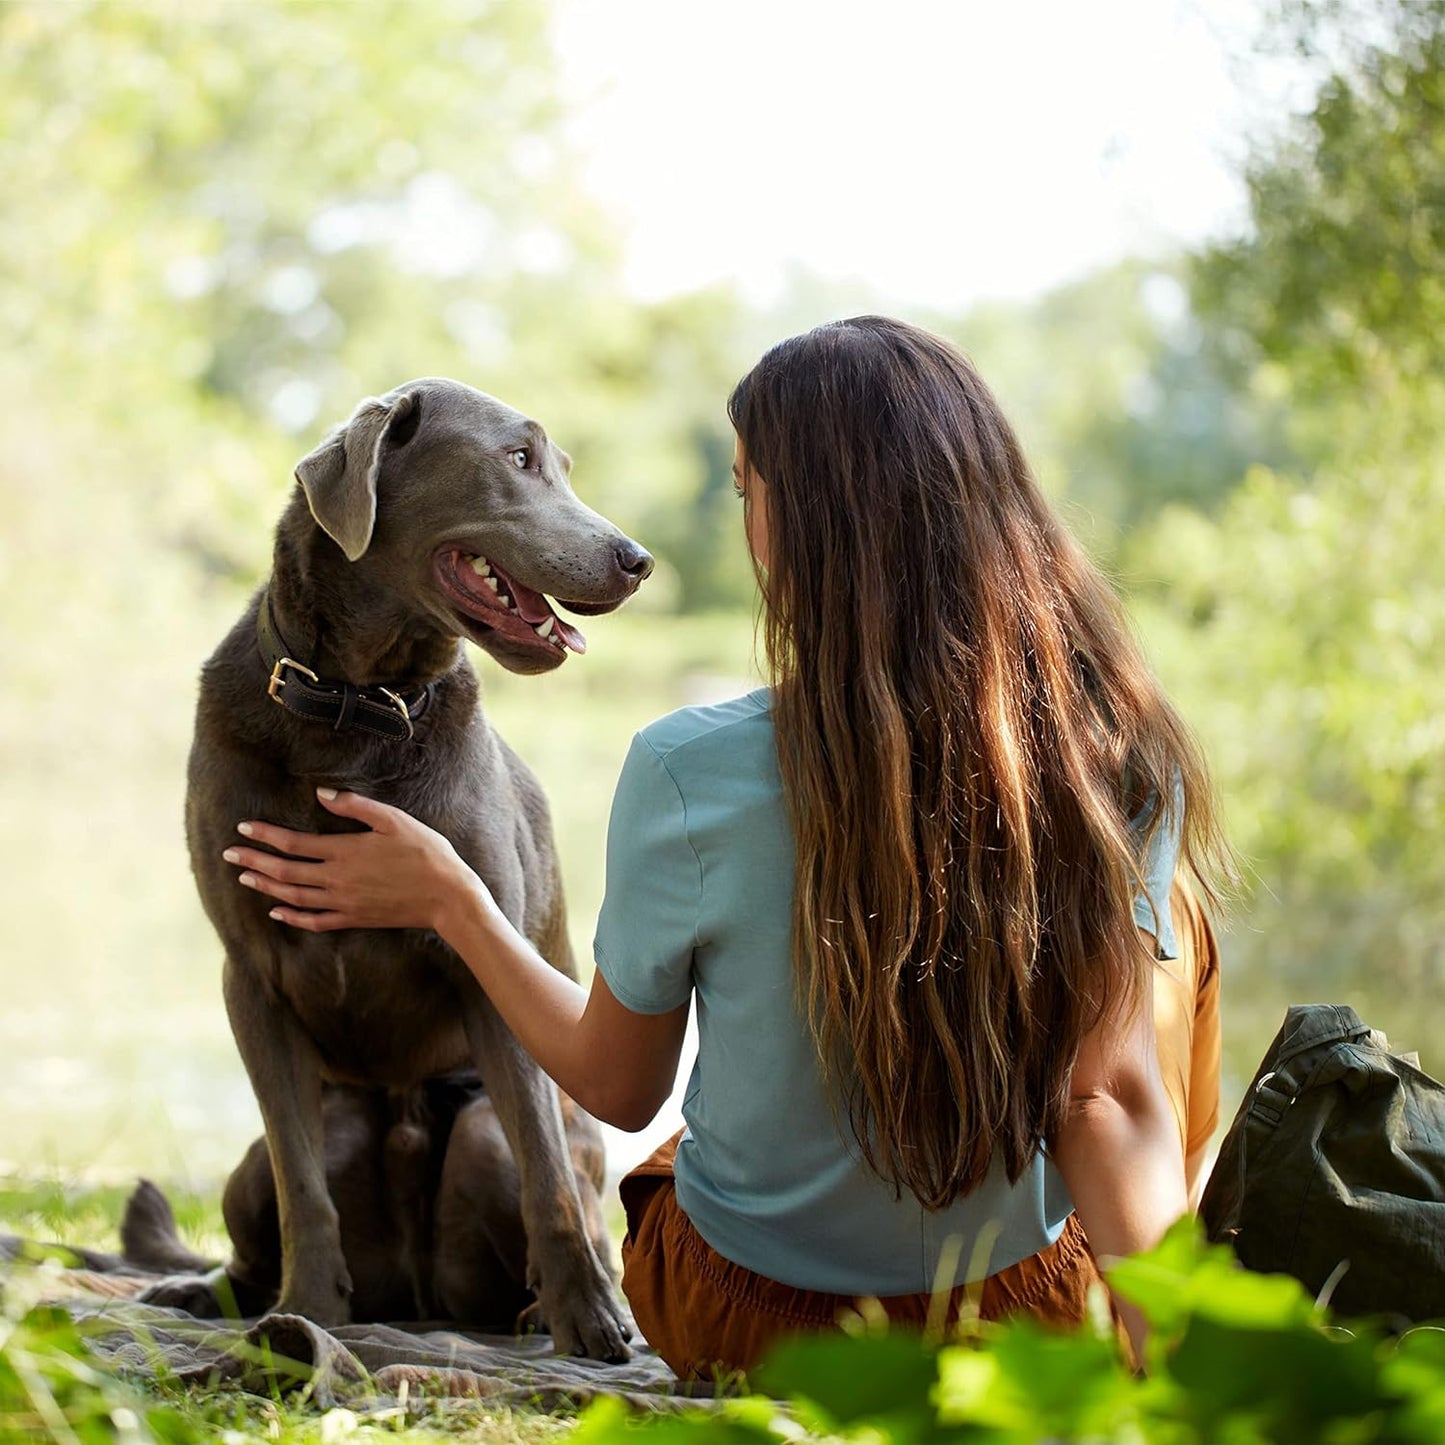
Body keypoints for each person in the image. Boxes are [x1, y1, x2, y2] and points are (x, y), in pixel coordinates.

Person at [223, 317, 1226, 1374]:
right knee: (1162, 958)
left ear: (810, 525)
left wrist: (454, 900)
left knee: (673, 1154)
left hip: (743, 1318)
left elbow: (616, 1089)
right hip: (1002, 1315)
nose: (744, 520)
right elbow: (1101, 1101)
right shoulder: (1108, 761)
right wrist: (1181, 1391)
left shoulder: (684, 766)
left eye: (749, 492)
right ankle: (1161, 1319)